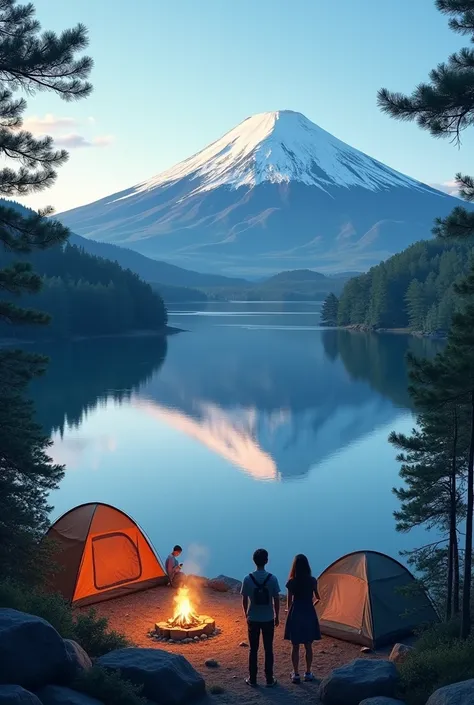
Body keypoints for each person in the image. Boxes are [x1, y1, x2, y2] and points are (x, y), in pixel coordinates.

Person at [241, 548, 280, 688]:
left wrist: (246, 613)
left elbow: (244, 599)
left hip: (253, 618)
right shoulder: (273, 579)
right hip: (268, 618)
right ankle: (269, 679)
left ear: (254, 561)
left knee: (253, 649)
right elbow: (276, 599)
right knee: (268, 649)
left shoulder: (247, 579)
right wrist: (277, 616)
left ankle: (253, 679)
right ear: (267, 561)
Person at [284, 554, 321, 684]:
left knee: (295, 646)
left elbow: (288, 603)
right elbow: (318, 597)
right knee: (308, 645)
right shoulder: (312, 580)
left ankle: (296, 674)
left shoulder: (291, 582)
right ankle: (308, 672)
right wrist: (311, 603)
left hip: (296, 613)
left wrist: (289, 614)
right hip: (309, 612)